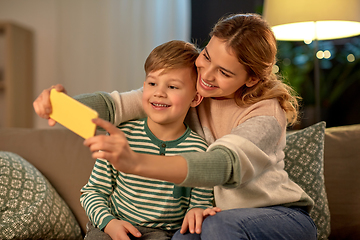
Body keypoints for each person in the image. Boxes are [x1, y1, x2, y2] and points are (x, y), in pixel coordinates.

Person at [34, 13, 317, 239]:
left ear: (251, 79)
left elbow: (221, 166)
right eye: (207, 56)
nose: (205, 74)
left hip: (276, 215)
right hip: (213, 216)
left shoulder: (265, 113)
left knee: (218, 228)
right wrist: (59, 106)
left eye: (224, 71)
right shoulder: (192, 92)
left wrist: (134, 162)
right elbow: (117, 105)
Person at [35, 41, 215, 240]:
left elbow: (201, 203)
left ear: (195, 98)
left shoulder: (199, 150)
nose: (159, 92)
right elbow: (92, 192)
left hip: (162, 234)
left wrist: (197, 212)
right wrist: (110, 224)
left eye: (172, 86)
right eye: (152, 83)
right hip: (111, 224)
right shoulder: (122, 135)